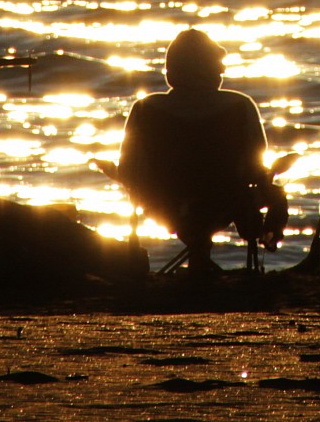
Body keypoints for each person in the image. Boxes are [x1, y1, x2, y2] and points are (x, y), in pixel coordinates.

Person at [115, 28, 284, 271]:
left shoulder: (145, 109)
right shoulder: (239, 105)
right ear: (211, 71)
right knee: (274, 194)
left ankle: (199, 252)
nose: (222, 72)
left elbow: (129, 169)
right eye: (219, 66)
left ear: (172, 69)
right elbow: (253, 168)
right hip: (224, 203)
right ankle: (265, 239)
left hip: (164, 203)